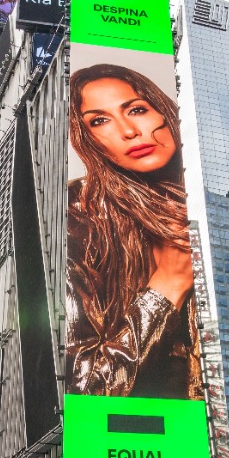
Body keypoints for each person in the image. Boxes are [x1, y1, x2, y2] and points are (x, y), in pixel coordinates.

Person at [65, 63, 202, 400]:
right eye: (99, 120)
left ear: (164, 111)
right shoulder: (77, 215)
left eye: (137, 110)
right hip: (140, 445)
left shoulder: (217, 201)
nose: (128, 131)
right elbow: (86, 395)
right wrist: (167, 286)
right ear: (87, 139)